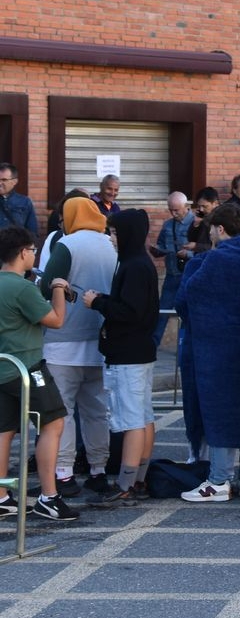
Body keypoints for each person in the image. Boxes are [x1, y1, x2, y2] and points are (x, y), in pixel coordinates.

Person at [176, 204, 240, 501]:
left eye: (212, 228)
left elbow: (187, 298)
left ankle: (219, 480)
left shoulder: (212, 260)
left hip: (214, 349)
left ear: (220, 230)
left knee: (218, 412)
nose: (210, 233)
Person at [38, 196, 116, 498]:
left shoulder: (68, 244)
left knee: (63, 411)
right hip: (100, 339)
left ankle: (64, 473)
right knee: (97, 410)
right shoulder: (108, 244)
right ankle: (98, 470)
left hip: (64, 339)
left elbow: (48, 284)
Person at [82, 209, 160, 505]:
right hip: (138, 350)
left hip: (128, 353)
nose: (111, 239)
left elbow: (129, 312)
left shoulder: (134, 265)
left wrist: (98, 302)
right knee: (142, 415)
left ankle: (126, 483)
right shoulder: (137, 263)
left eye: (114, 233)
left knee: (131, 419)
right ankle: (137, 478)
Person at [0, 226, 77, 521]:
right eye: (32, 250)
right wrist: (58, 288)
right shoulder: (22, 288)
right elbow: (56, 320)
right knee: (53, 423)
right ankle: (49, 496)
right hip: (27, 368)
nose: (34, 255)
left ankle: (2, 497)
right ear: (23, 252)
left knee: (3, 430)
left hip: (3, 369)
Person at [152, 191, 193, 348]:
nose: (173, 213)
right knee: (162, 311)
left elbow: (203, 249)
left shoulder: (195, 223)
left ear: (186, 207)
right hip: (171, 273)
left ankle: (184, 346)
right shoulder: (168, 224)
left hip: (188, 274)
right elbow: (161, 243)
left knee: (186, 312)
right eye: (171, 210)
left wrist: (188, 253)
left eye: (177, 210)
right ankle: (153, 344)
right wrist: (157, 250)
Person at [0, 162, 39, 236]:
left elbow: (32, 231)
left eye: (4, 180)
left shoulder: (24, 202)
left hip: (16, 246)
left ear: (14, 181)